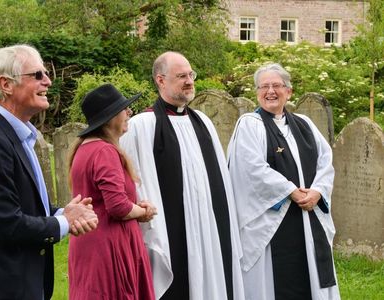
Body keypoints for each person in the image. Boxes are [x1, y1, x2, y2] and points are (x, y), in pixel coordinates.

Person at [0, 44, 99, 300]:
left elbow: (23, 204)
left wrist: (62, 212)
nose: (49, 81)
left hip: (22, 283)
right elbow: (7, 224)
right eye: (38, 75)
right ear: (6, 85)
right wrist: (65, 222)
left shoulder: (18, 136)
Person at [120, 51, 245, 300]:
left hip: (209, 226)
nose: (189, 81)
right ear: (161, 80)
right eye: (181, 76)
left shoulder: (204, 123)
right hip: (170, 228)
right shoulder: (143, 125)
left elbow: (220, 178)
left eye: (191, 75)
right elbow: (134, 180)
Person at [227, 63, 340, 299]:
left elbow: (325, 161)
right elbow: (251, 169)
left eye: (276, 85)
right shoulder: (250, 124)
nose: (270, 91)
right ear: (257, 92)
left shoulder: (304, 124)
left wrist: (317, 191)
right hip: (273, 222)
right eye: (264, 86)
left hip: (308, 217)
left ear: (288, 91)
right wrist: (291, 191)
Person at [67, 83, 157, 300]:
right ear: (110, 117)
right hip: (108, 249)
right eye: (123, 109)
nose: (129, 113)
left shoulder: (84, 148)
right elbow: (118, 207)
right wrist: (143, 211)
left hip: (89, 245)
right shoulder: (104, 151)